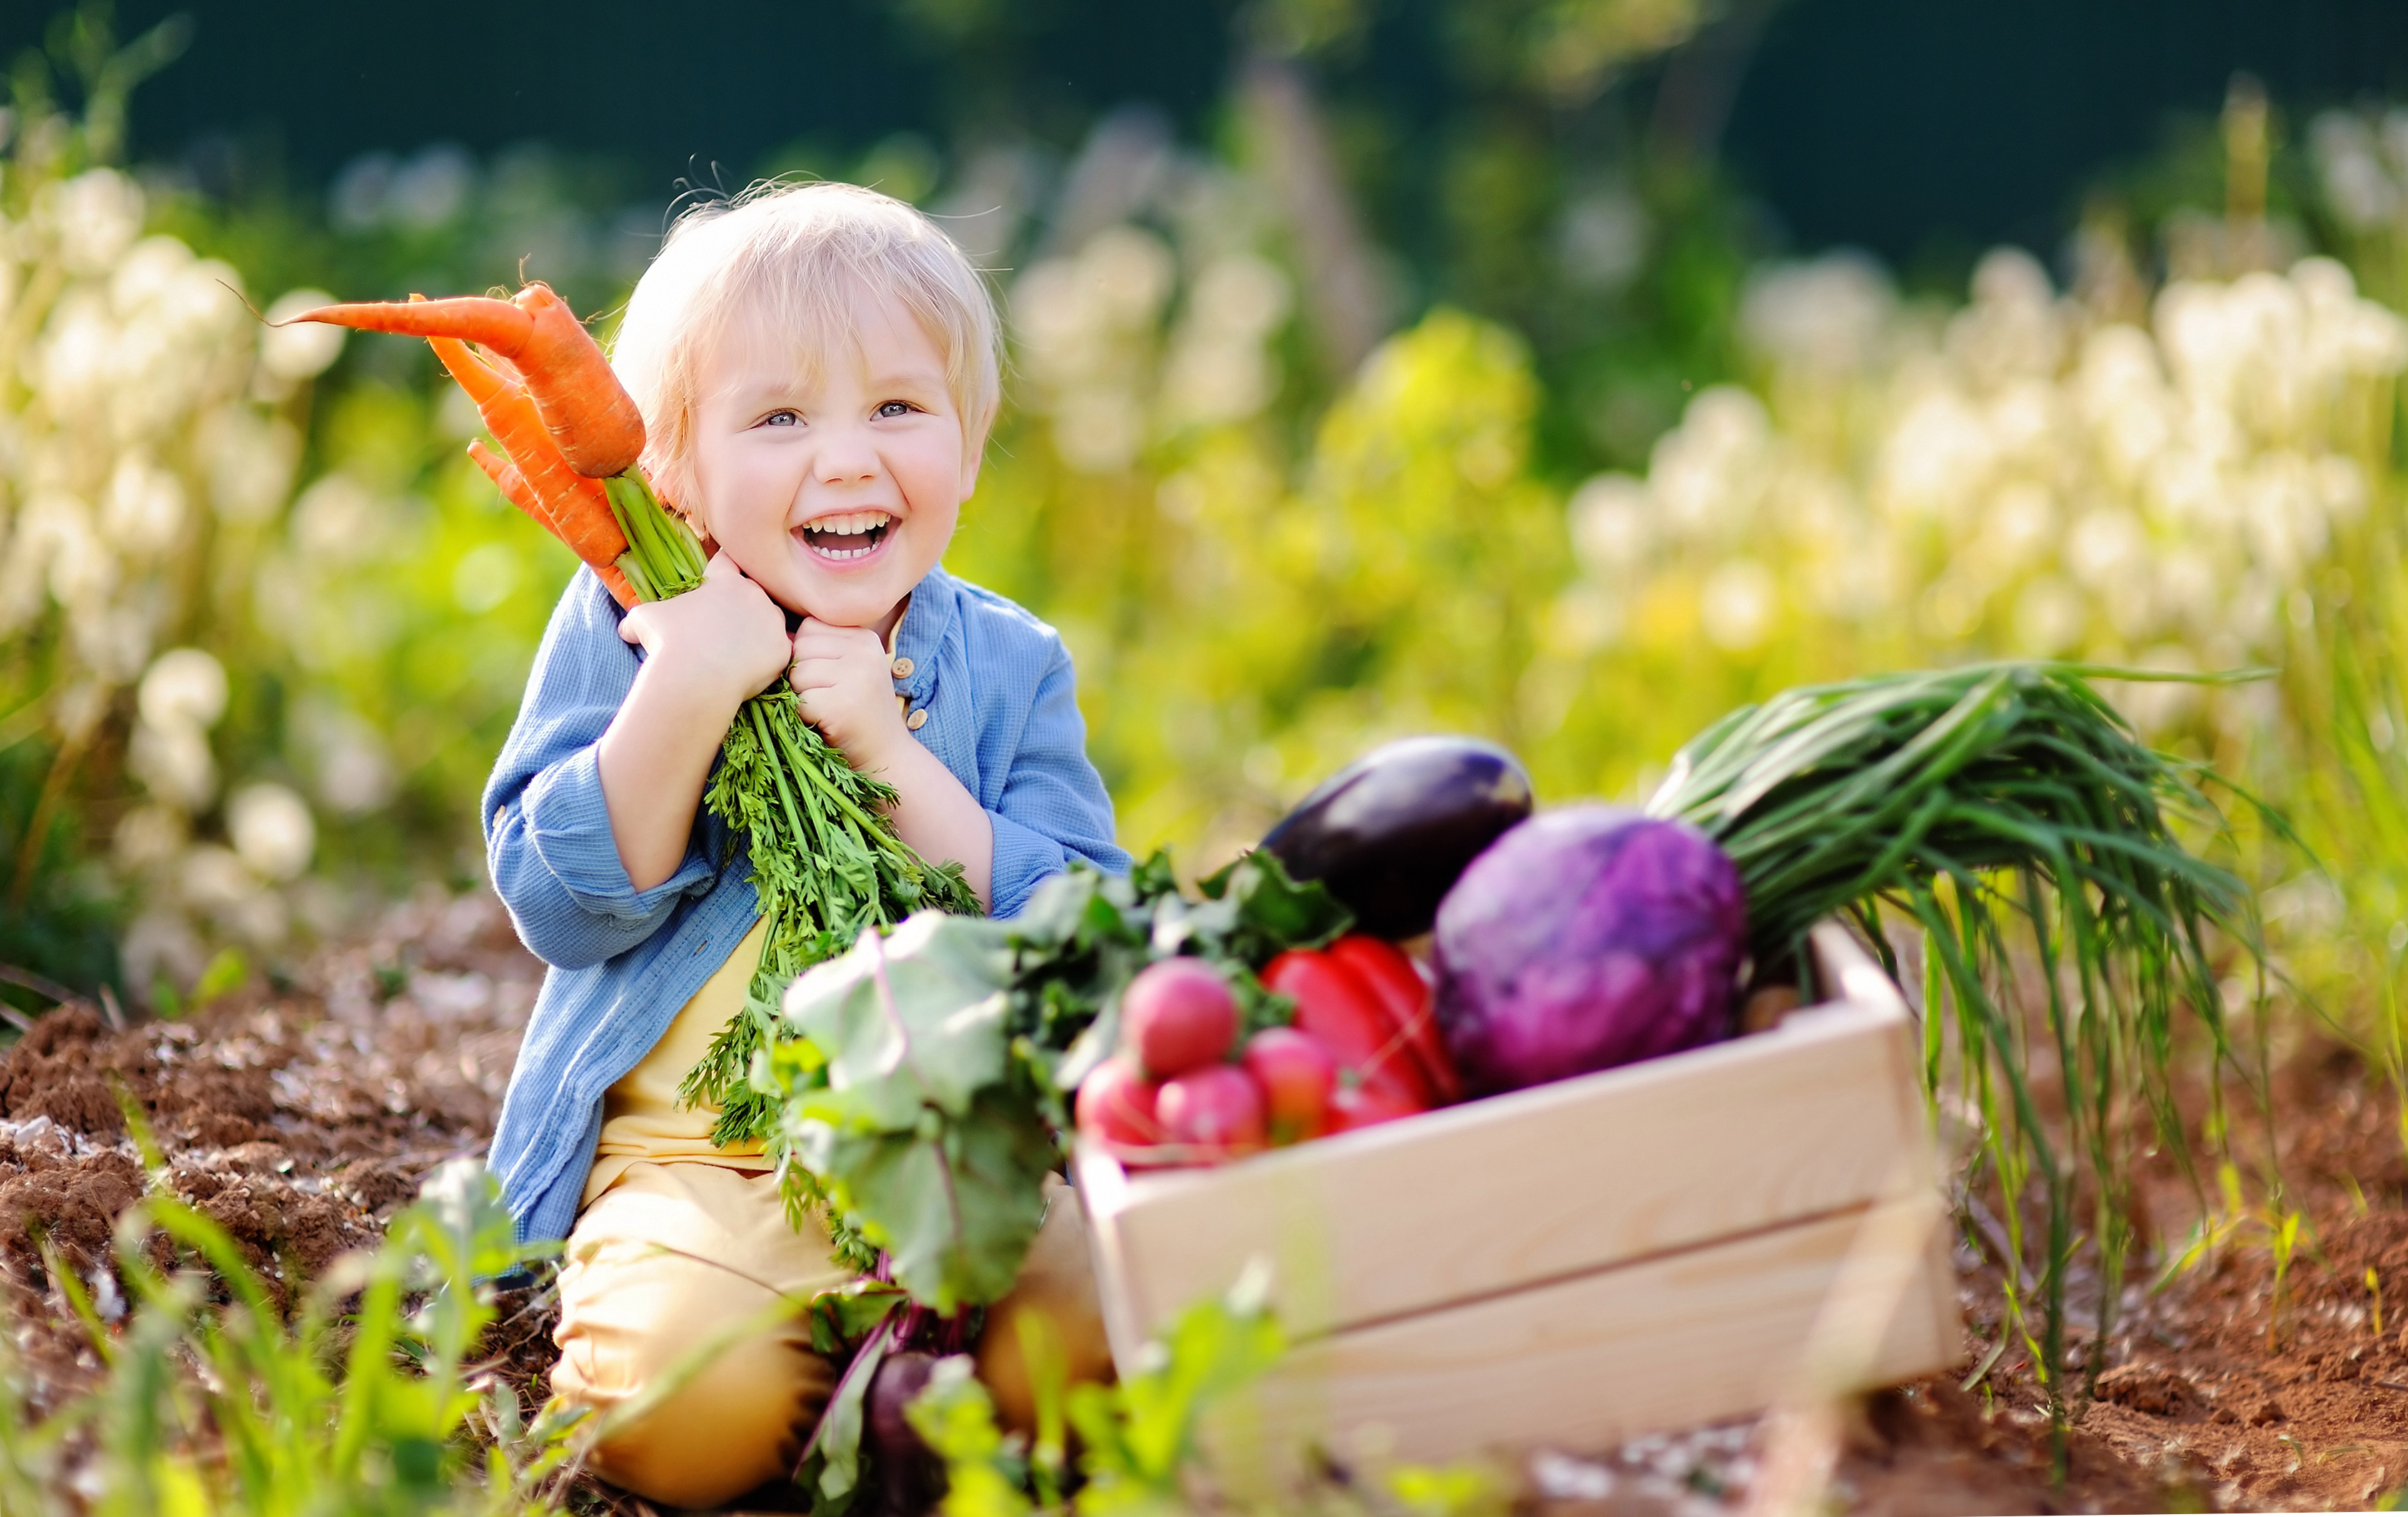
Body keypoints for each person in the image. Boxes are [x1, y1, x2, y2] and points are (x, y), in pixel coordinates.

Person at [479, 181, 1128, 1508]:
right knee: (675, 1409)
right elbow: (560, 903)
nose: (846, 460)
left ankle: (889, 1390)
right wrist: (688, 689)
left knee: (1112, 1330)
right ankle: (846, 1395)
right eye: (779, 419)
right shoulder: (627, 626)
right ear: (673, 468)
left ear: (970, 439)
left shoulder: (1008, 663)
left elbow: (1092, 941)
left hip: (960, 1156)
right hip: (702, 1167)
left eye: (899, 408)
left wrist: (897, 763)